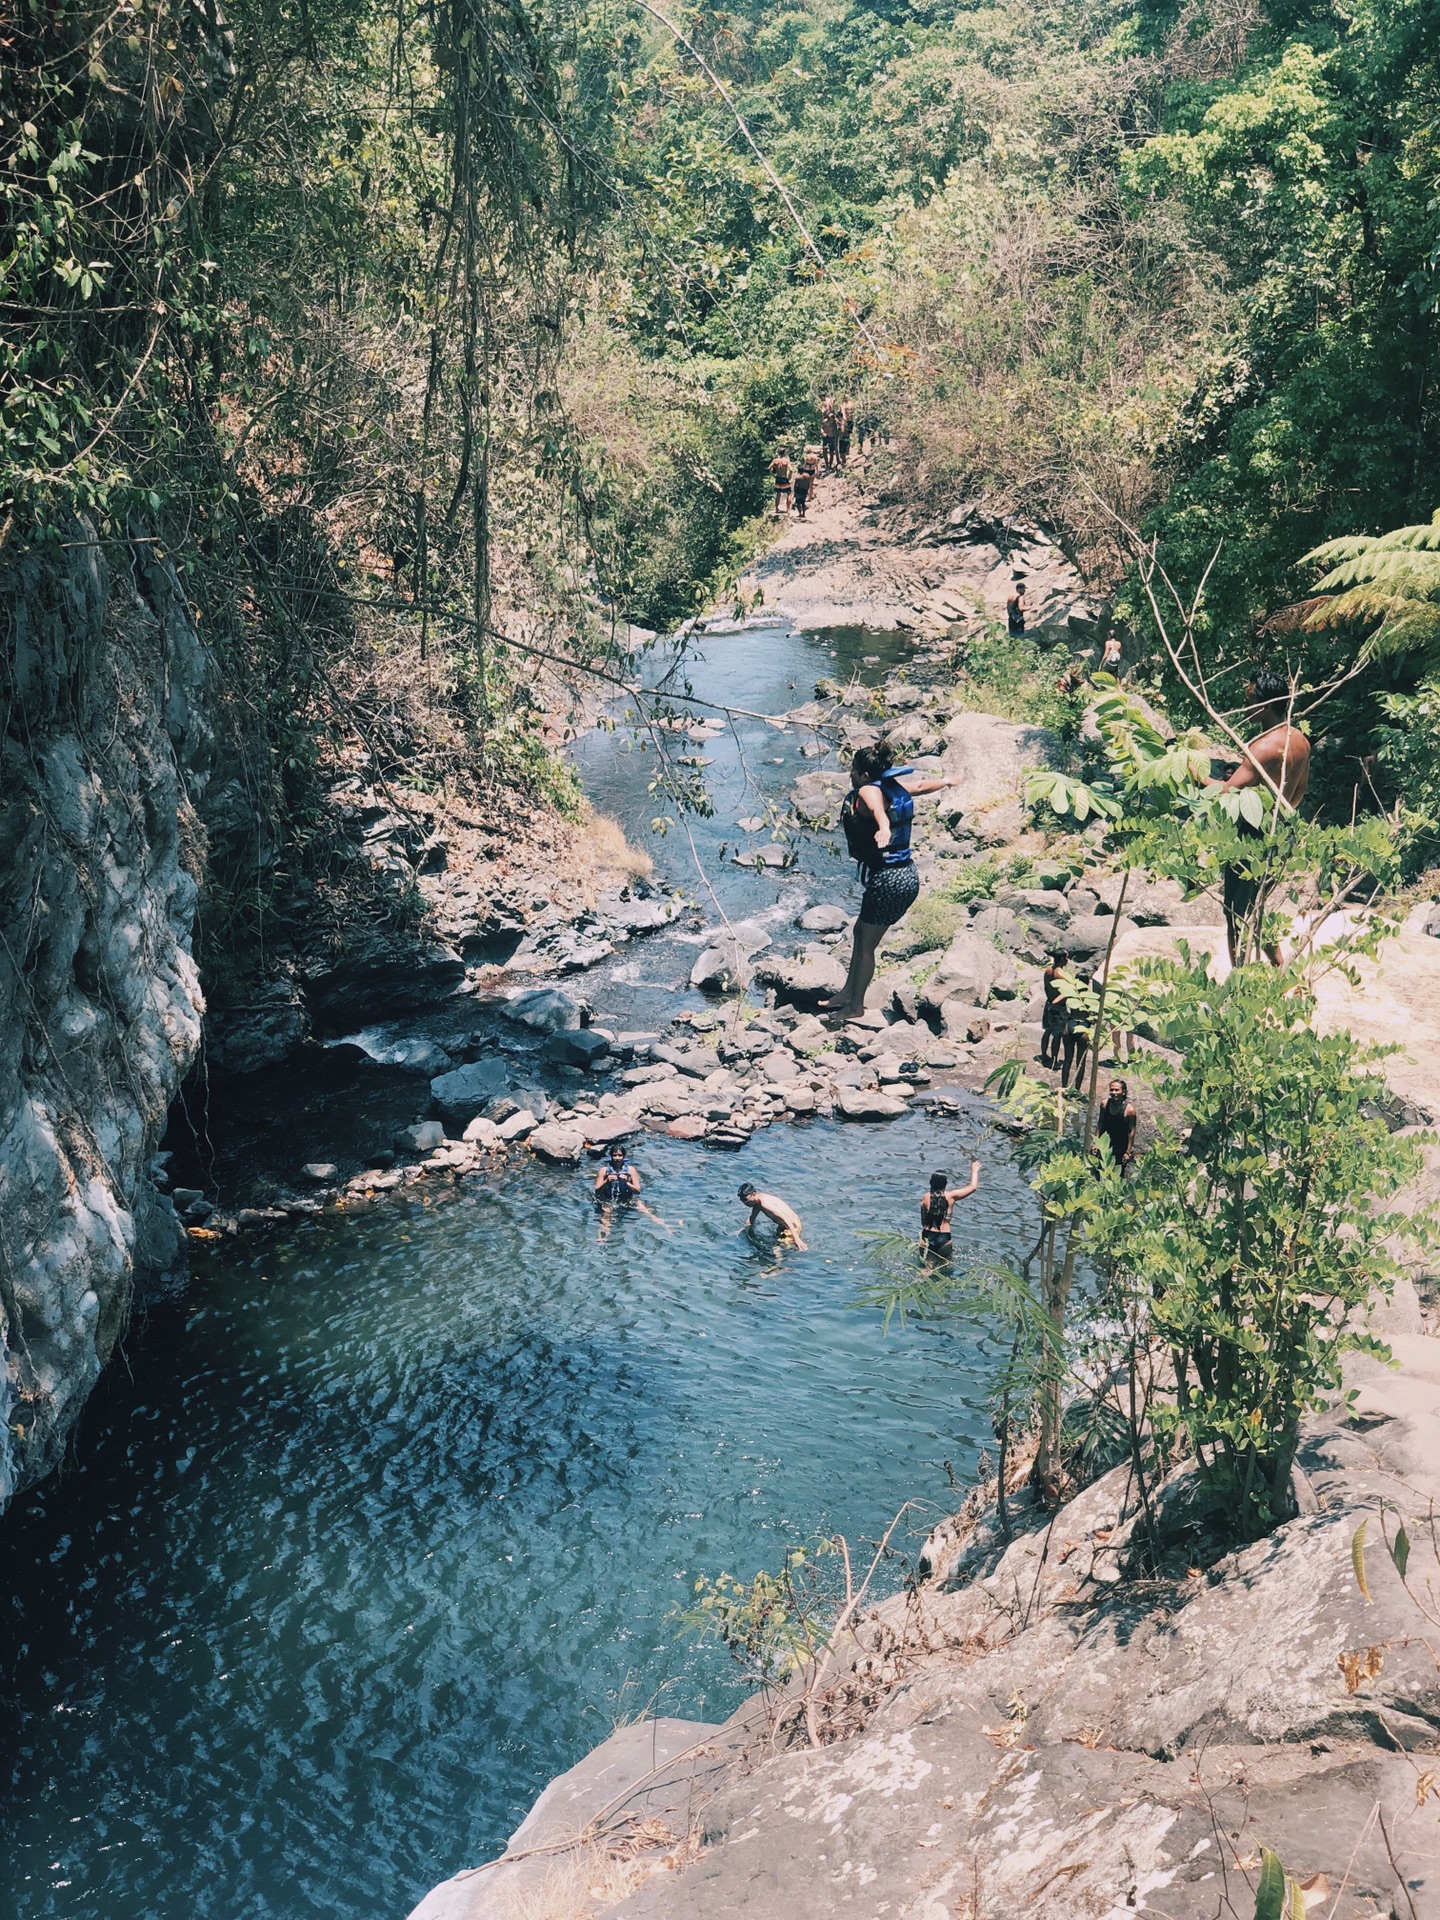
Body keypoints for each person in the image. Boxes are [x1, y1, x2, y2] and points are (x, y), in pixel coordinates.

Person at [824, 742, 962, 1022]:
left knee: (865, 946)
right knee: (860, 934)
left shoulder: (868, 790)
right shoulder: (893, 788)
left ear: (863, 775)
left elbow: (876, 810)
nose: (850, 775)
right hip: (905, 875)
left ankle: (856, 1006)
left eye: (853, 770)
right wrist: (946, 781)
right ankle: (847, 993)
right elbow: (921, 785)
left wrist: (884, 828)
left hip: (889, 880)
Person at [1205, 667, 1311, 966]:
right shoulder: (1299, 740)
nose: (1246, 705)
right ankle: (1277, 967)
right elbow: (1300, 790)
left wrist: (1197, 775)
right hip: (1281, 830)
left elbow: (1226, 792)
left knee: (1236, 910)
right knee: (1255, 905)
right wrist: (1279, 816)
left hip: (1252, 834)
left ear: (1264, 704)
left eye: (1249, 699)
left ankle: (1239, 974)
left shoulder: (1263, 747)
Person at [594, 1145, 667, 1239]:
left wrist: (627, 1183)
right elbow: (597, 1191)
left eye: (620, 1155)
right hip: (608, 1199)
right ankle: (602, 1238)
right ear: (611, 1156)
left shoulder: (630, 1170)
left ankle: (666, 1228)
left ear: (624, 1156)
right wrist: (606, 1181)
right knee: (606, 1215)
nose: (617, 1158)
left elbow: (638, 1190)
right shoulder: (604, 1171)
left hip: (627, 1199)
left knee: (647, 1212)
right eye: (614, 1155)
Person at [919, 1163, 982, 1259]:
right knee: (947, 1265)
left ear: (931, 1182)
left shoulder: (925, 1197)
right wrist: (974, 1171)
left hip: (927, 1235)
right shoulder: (951, 1196)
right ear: (945, 1183)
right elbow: (973, 1187)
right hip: (944, 1237)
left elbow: (923, 1222)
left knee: (927, 1268)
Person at [737, 1182, 808, 1250]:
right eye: (741, 1200)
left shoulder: (765, 1204)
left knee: (776, 1250)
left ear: (754, 1194)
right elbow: (751, 1219)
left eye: (745, 1199)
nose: (744, 1203)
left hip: (792, 1225)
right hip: (784, 1226)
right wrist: (741, 1231)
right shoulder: (758, 1202)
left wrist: (796, 1238)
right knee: (777, 1244)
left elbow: (785, 1218)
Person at [1094, 1079, 1138, 1171]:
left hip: (1120, 1145)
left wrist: (1128, 1152)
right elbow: (1100, 1123)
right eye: (1112, 1090)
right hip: (1105, 1142)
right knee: (1099, 1169)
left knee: (1117, 1173)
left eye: (1117, 1090)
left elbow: (1131, 1131)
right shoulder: (1104, 1104)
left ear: (1124, 1092)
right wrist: (1096, 1143)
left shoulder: (1130, 1110)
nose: (1114, 1093)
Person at [1060, 979, 1091, 1091]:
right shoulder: (1090, 997)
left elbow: (1056, 1002)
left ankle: (1063, 1086)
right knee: (1080, 1062)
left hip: (1070, 1024)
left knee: (1067, 1059)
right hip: (1083, 1027)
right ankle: (1076, 1089)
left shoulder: (1071, 994)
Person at [1040, 950, 1069, 1070]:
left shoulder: (1048, 970)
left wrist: (1050, 1000)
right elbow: (1067, 991)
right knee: (1057, 1035)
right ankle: (1054, 1060)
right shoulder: (1060, 974)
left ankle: (1043, 1055)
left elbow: (1046, 987)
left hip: (1048, 1004)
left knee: (1047, 1031)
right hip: (1057, 1008)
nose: (1068, 960)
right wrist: (1056, 1002)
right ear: (1062, 959)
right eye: (1067, 957)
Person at [768, 449, 793, 519]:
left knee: (778, 494)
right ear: (785, 453)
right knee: (788, 493)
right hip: (784, 478)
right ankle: (788, 509)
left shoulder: (775, 460)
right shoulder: (786, 461)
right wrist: (789, 477)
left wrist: (772, 475)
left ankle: (776, 508)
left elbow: (769, 468)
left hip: (778, 478)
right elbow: (791, 469)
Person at [820, 395, 838, 472]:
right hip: (825, 437)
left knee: (831, 452)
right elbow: (821, 428)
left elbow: (837, 427)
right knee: (824, 451)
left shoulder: (833, 421)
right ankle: (827, 465)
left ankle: (830, 465)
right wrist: (823, 433)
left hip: (832, 437)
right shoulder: (824, 421)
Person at [837, 397, 854, 468]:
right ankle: (844, 461)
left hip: (848, 421)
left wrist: (844, 412)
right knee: (846, 435)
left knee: (846, 435)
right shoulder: (845, 404)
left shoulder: (850, 404)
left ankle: (845, 457)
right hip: (847, 422)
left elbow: (844, 418)